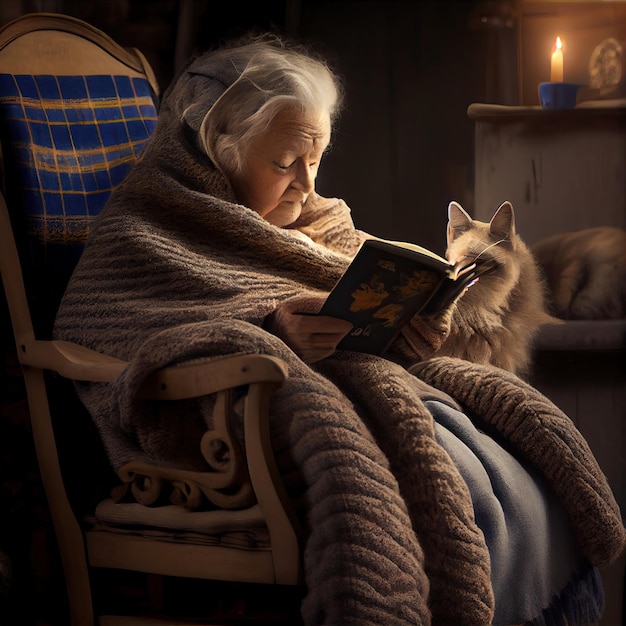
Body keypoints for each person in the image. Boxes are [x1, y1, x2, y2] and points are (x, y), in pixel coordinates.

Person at [54, 33, 625, 626]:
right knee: (460, 494)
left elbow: (362, 300)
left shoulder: (321, 220)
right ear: (219, 149)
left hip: (378, 391)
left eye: (317, 159)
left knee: (518, 471)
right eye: (283, 163)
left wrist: (416, 319)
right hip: (253, 424)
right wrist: (271, 325)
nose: (306, 184)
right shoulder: (148, 226)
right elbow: (101, 326)